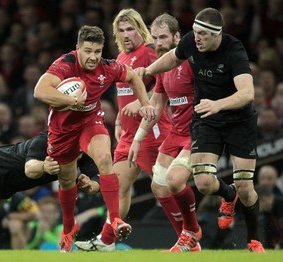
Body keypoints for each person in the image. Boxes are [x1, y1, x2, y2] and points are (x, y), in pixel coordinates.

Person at [134, 7, 265, 253]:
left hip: (238, 122)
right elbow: (173, 57)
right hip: (207, 121)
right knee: (204, 183)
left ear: (217, 35)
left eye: (203, 34)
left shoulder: (234, 50)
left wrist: (218, 104)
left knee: (246, 187)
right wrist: (149, 71)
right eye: (195, 32)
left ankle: (253, 239)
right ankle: (228, 196)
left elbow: (247, 93)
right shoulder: (191, 43)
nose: (197, 38)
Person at [33, 25, 155, 252]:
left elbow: (133, 78)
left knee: (105, 159)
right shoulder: (65, 64)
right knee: (68, 181)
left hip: (90, 122)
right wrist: (72, 102)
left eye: (97, 51)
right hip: (63, 130)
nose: (93, 57)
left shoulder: (107, 67)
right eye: (88, 51)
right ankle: (68, 229)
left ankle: (116, 219)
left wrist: (146, 104)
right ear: (78, 48)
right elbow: (40, 91)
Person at [75, 8, 172, 252]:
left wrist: (143, 102)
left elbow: (168, 85)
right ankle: (107, 241)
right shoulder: (120, 58)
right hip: (128, 135)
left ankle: (188, 234)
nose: (126, 34)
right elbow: (123, 94)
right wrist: (119, 119)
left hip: (152, 131)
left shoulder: (150, 52)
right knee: (117, 186)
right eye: (121, 30)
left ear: (140, 29)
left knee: (165, 187)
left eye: (131, 29)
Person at [128, 13, 201, 252]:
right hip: (177, 133)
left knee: (174, 181)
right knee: (158, 186)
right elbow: (156, 107)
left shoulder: (192, 62)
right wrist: (138, 139)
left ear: (177, 37)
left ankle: (192, 232)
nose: (158, 43)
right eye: (155, 38)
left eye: (163, 37)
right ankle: (187, 240)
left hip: (198, 132)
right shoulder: (162, 68)